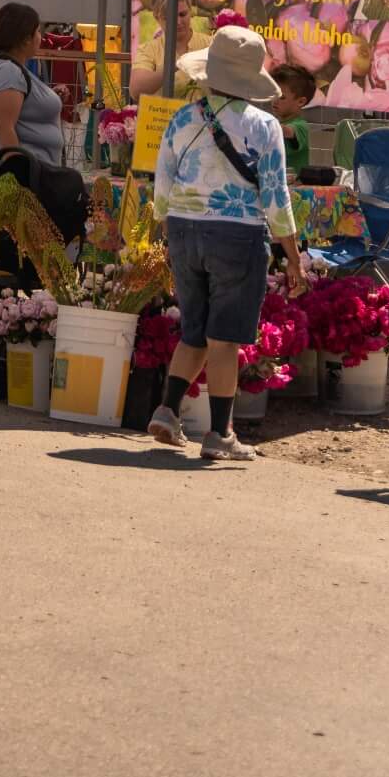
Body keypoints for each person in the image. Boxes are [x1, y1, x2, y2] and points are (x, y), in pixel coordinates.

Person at [146, 26, 309, 460]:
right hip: (236, 233)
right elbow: (276, 197)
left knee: (194, 331)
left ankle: (166, 411)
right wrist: (293, 257)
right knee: (224, 341)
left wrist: (167, 227)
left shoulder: (182, 118)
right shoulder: (265, 125)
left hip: (182, 228)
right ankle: (220, 434)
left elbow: (161, 187)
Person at [0, 2, 66, 179]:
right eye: (37, 31)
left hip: (2, 183)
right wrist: (16, 178)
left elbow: (20, 109)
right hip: (2, 189)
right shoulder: (7, 72)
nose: (41, 37)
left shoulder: (7, 69)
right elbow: (3, 126)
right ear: (25, 38)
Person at [271, 62, 319, 176]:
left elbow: (287, 131)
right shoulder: (274, 122)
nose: (274, 99)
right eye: (273, 93)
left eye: (282, 97)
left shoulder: (301, 126)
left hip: (294, 190)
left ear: (301, 101)